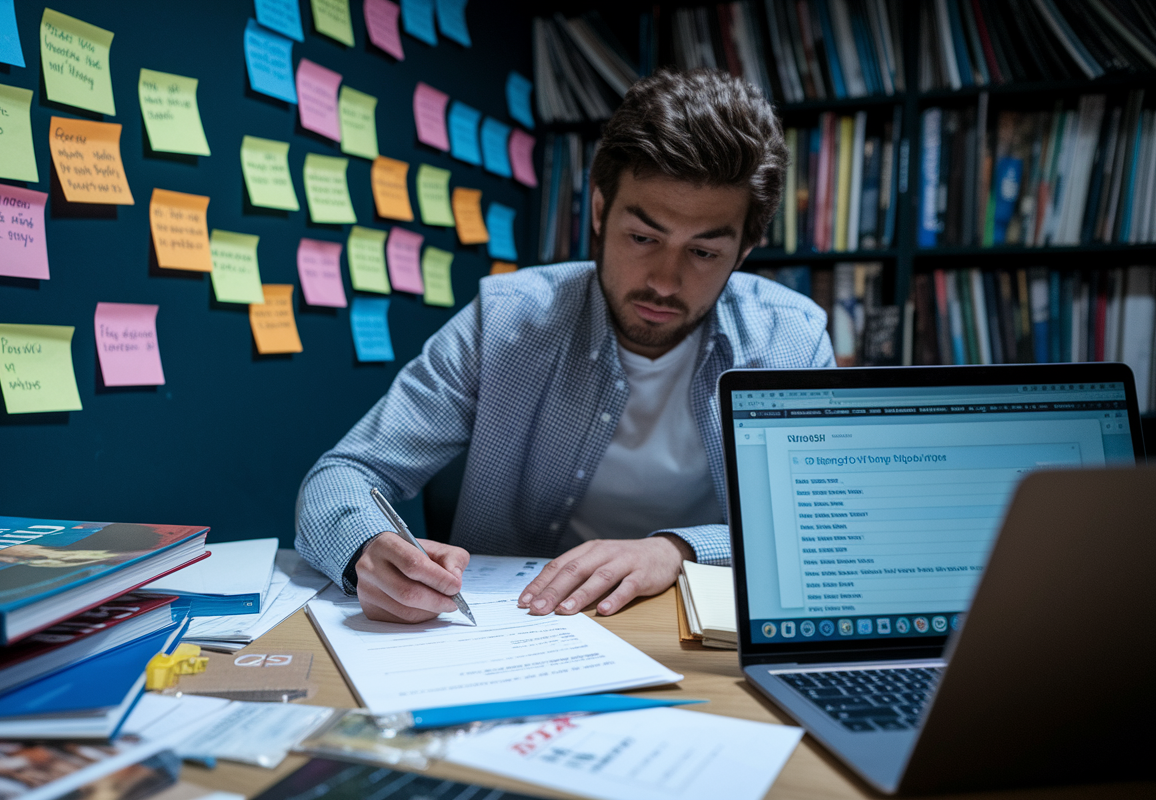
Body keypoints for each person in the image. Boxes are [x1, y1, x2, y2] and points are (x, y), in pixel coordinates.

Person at [295, 68, 834, 624]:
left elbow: (814, 526)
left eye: (703, 253)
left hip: (695, 638)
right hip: (521, 629)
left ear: (745, 248)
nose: (664, 282)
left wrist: (675, 550)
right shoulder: (505, 319)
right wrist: (368, 549)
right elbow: (344, 474)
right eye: (643, 238)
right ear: (600, 211)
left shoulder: (790, 339)